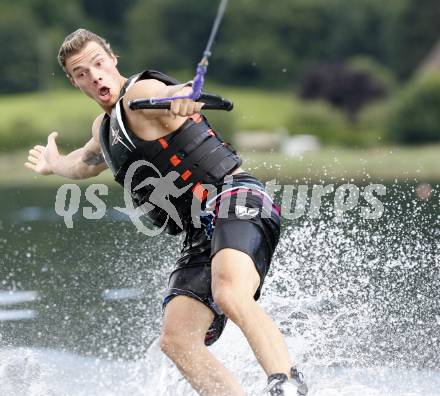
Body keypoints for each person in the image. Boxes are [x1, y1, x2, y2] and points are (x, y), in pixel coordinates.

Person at [25, 29, 308, 396]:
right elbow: (86, 161)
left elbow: (170, 94)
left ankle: (287, 383)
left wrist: (184, 97)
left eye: (98, 64)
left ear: (113, 60)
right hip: (200, 231)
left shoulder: (140, 92)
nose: (94, 76)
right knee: (177, 341)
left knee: (229, 292)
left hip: (234, 197)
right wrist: (54, 164)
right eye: (82, 72)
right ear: (74, 81)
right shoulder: (105, 127)